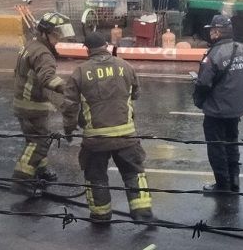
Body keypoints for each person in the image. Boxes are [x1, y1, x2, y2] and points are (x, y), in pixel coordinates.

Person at [62, 32, 154, 223]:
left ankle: (101, 215)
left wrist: (69, 129)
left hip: (96, 140)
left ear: (87, 49)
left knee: (96, 177)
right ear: (106, 46)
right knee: (133, 172)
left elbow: (69, 106)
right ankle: (142, 211)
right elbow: (135, 94)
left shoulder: (80, 72)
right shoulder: (125, 66)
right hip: (126, 136)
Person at [10, 12, 73, 195]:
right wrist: (67, 90)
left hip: (23, 103)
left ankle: (40, 170)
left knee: (35, 139)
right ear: (45, 33)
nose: (58, 39)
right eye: (56, 35)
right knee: (39, 142)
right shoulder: (43, 53)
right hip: (32, 106)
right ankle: (22, 179)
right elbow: (47, 78)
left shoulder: (31, 45)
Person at [193, 15, 243, 194]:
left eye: (212, 30)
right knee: (232, 144)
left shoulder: (214, 55)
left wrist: (198, 101)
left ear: (218, 32)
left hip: (216, 111)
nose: (210, 33)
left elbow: (203, 83)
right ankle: (234, 181)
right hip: (235, 110)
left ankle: (222, 185)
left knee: (216, 148)